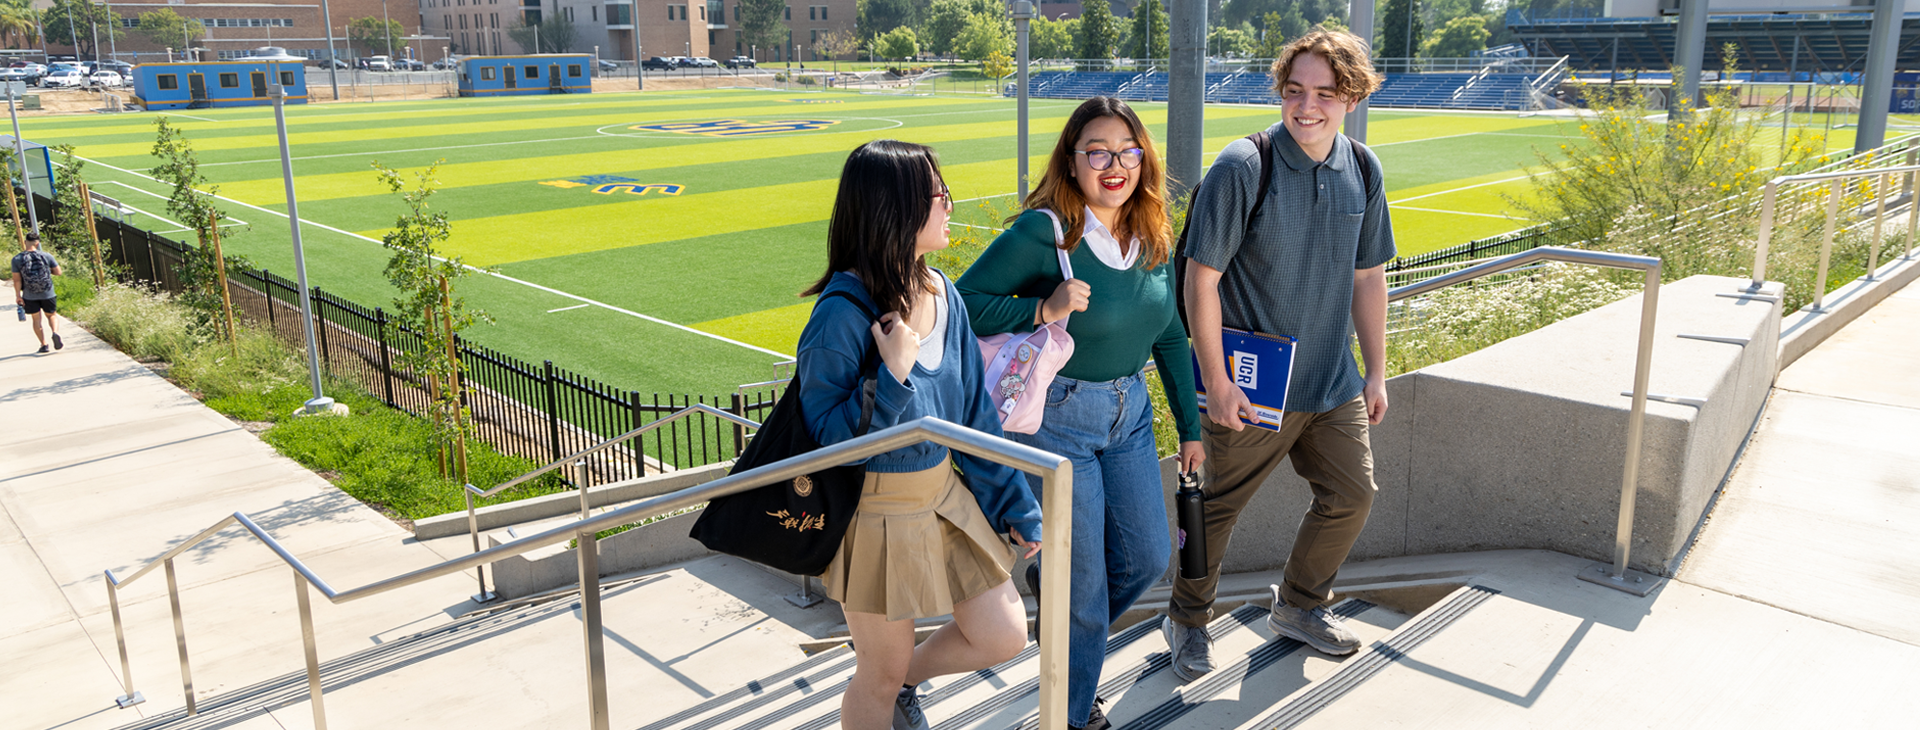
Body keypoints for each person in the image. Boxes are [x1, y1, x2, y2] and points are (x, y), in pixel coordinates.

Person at [956, 96, 1205, 730]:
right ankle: (1065, 714)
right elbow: (964, 304)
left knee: (1147, 559)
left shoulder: (1152, 228)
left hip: (1130, 417)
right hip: (1061, 419)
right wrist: (1041, 308)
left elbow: (1171, 335)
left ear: (1143, 158)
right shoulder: (1046, 232)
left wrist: (1192, 429)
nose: (1114, 165)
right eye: (1097, 151)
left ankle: (1068, 625)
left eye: (1127, 151)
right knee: (1085, 593)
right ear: (1072, 161)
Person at [1164, 29, 1395, 678]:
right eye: (1295, 91)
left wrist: (1375, 371)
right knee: (1213, 513)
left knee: (1353, 496)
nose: (1307, 107)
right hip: (1253, 385)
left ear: (1353, 96)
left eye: (1325, 93)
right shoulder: (1244, 165)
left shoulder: (1364, 167)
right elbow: (1199, 280)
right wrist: (1216, 378)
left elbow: (1368, 276)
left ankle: (1299, 605)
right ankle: (1185, 620)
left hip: (1333, 383)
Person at [797, 139, 1044, 730]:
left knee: (1004, 632)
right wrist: (895, 374)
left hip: (941, 495)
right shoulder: (840, 314)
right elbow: (830, 442)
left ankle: (909, 678)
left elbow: (973, 415)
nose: (950, 203)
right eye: (938, 194)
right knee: (876, 678)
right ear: (896, 207)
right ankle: (894, 686)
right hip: (875, 512)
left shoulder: (942, 291)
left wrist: (1015, 504)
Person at [11, 233, 64, 354]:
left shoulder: (17, 259)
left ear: (25, 242)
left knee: (36, 319)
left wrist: (18, 296)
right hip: (47, 292)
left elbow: (17, 279)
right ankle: (55, 332)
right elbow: (58, 272)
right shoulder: (46, 256)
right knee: (51, 315)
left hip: (30, 294)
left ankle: (44, 344)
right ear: (37, 243)